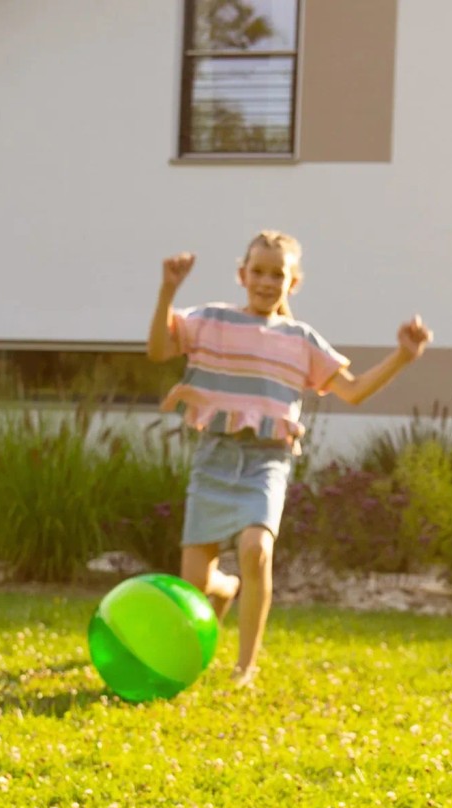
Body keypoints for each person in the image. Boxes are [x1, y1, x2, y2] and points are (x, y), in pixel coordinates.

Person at [147, 229, 431, 686]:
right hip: (215, 457)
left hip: (267, 461)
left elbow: (354, 391)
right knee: (196, 584)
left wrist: (403, 355)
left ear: (293, 282)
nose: (265, 281)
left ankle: (244, 668)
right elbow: (158, 349)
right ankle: (226, 589)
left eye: (277, 274)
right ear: (242, 274)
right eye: (257, 271)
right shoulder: (212, 320)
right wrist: (167, 290)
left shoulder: (301, 339)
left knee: (256, 550)